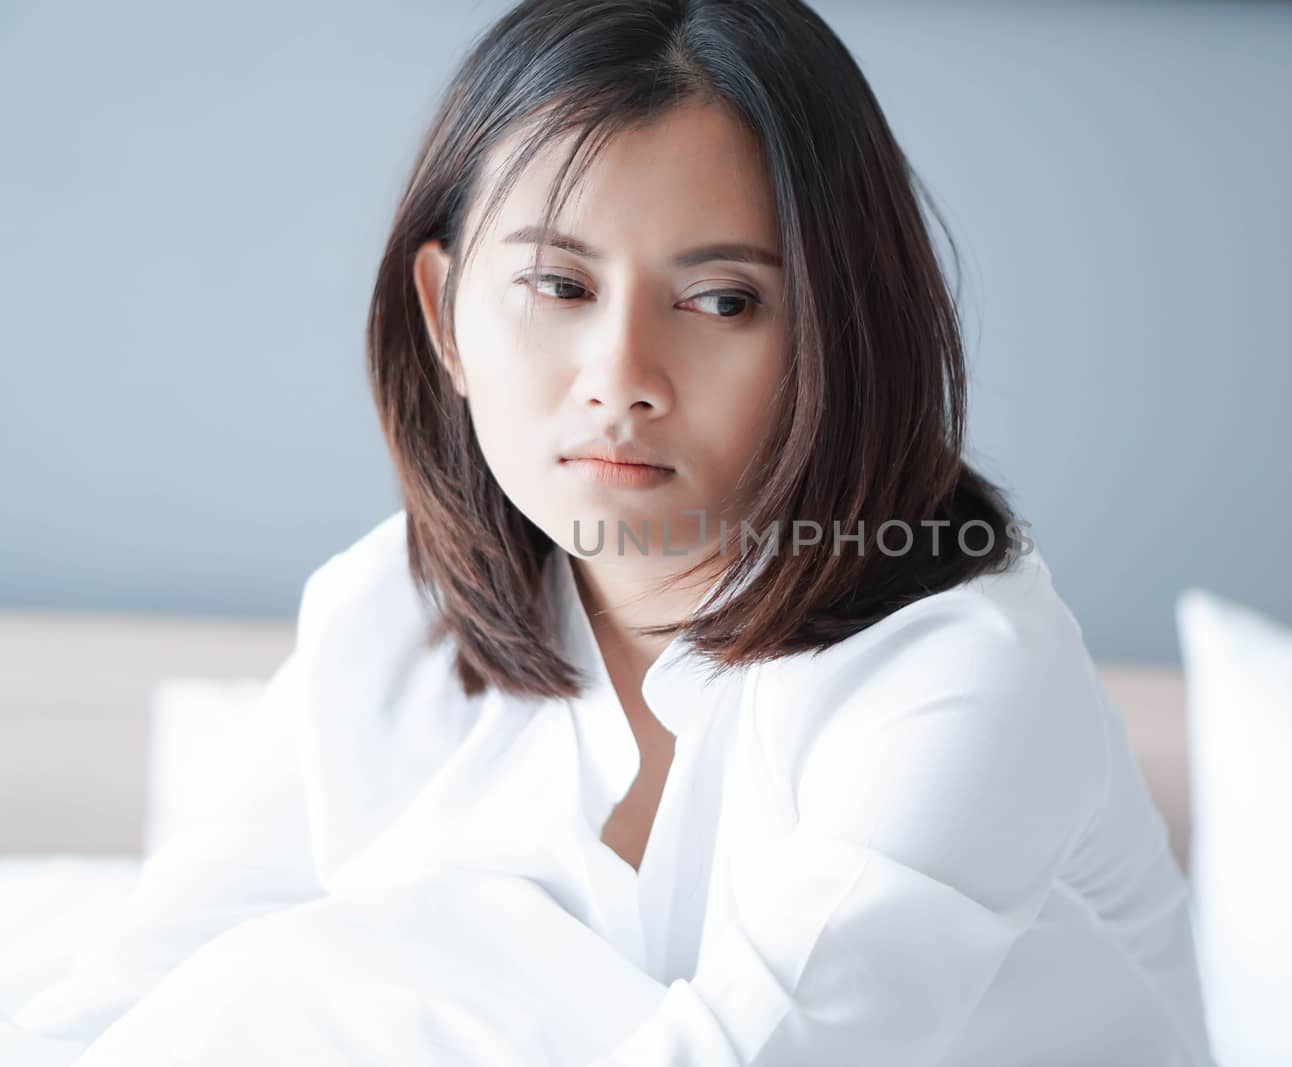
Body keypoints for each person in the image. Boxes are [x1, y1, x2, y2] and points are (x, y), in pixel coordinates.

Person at [1, 1, 1215, 1063]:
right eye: (558, 285)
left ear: (836, 338)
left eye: (722, 300)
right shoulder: (385, 619)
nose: (621, 375)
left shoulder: (959, 666)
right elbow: (134, 994)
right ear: (445, 313)